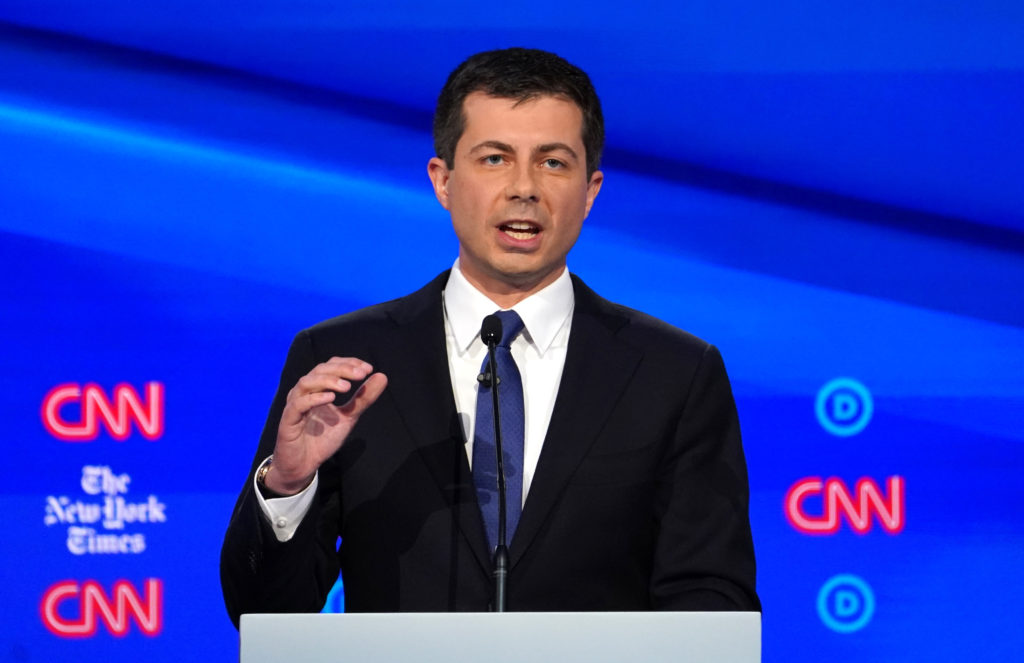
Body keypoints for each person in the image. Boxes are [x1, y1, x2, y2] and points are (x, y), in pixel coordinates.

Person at [220, 47, 759, 626]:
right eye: (495, 158)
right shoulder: (346, 361)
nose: (524, 187)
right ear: (444, 181)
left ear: (590, 190)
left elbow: (711, 603)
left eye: (553, 163)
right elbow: (264, 613)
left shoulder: (673, 373)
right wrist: (287, 485)